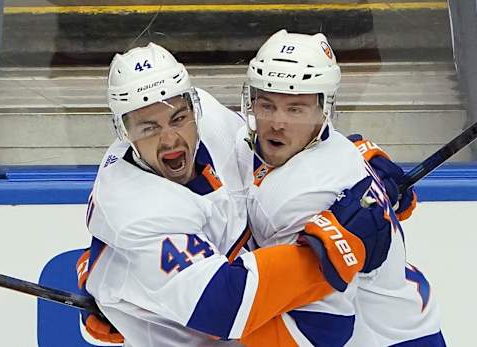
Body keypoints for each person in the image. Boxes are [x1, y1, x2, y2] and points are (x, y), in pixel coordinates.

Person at [76, 42, 392, 346]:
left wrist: (349, 161)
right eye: (148, 128)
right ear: (124, 132)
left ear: (193, 106)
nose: (170, 138)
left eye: (178, 118)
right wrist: (332, 248)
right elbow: (224, 306)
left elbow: (265, 151)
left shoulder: (210, 121)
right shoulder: (134, 208)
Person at [238, 29, 446, 346]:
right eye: (267, 105)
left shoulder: (296, 196)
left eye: (295, 109)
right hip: (410, 321)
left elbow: (320, 328)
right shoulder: (337, 150)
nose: (277, 123)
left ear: (323, 110)